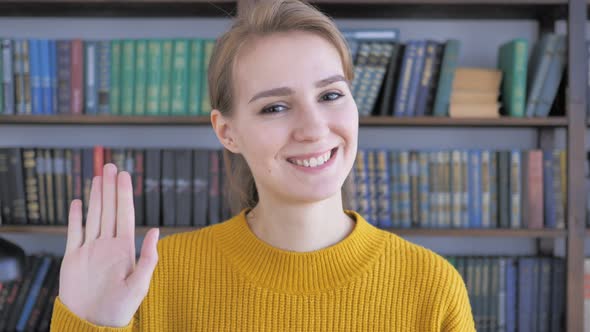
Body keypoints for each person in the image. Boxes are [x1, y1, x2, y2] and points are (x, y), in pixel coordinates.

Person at [50, 0, 476, 330]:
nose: (313, 129)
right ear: (227, 132)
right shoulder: (153, 281)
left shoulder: (432, 285)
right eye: (275, 107)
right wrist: (93, 324)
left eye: (330, 96)